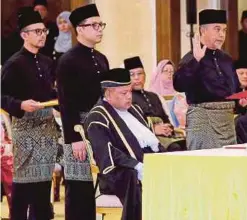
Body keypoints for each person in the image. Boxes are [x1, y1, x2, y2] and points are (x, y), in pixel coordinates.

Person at [85, 68, 164, 220]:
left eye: (130, 92)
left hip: (147, 163)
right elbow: (107, 153)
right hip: (120, 173)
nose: (129, 97)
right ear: (108, 93)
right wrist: (136, 165)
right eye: (123, 93)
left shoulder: (135, 110)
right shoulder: (98, 117)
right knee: (133, 176)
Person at [1, 10, 58, 220]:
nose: (42, 35)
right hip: (25, 130)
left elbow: (50, 93)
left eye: (44, 30)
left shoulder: (46, 61)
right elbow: (1, 96)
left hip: (47, 129)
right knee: (24, 186)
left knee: (43, 186)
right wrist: (20, 104)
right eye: (37, 31)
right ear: (24, 35)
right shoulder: (14, 63)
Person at [56, 4, 109, 220]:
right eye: (94, 25)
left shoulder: (102, 58)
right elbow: (65, 103)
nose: (99, 29)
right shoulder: (68, 60)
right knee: (78, 188)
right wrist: (75, 138)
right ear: (80, 29)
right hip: (78, 131)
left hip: (100, 128)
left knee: (100, 185)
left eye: (101, 24)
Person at [174, 9, 247, 150]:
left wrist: (241, 102)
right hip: (203, 121)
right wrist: (196, 61)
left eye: (224, 30)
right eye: (217, 29)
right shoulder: (191, 58)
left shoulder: (226, 58)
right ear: (202, 31)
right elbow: (178, 85)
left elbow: (234, 91)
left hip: (227, 122)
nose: (222, 34)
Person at [124, 56, 186, 151]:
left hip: (165, 136)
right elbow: (131, 124)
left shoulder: (154, 96)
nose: (137, 78)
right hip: (144, 139)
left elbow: (165, 118)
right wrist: (154, 129)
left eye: (140, 73)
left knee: (186, 144)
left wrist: (168, 128)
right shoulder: (126, 98)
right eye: (132, 75)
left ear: (145, 75)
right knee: (174, 148)